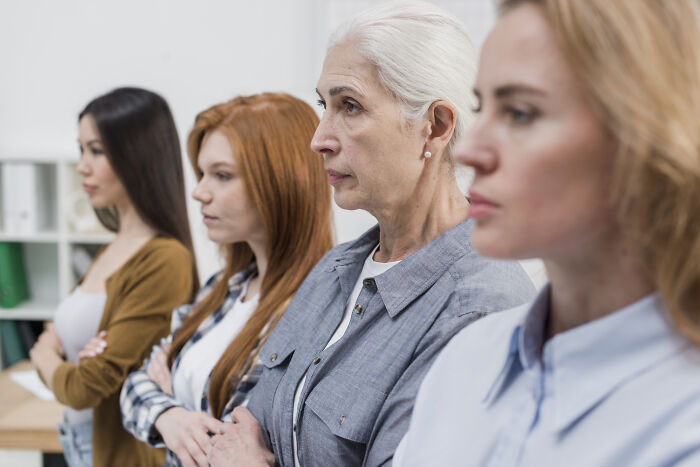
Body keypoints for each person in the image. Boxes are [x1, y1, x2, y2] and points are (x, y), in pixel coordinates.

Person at [206, 2, 536, 466]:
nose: (319, 138)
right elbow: (247, 417)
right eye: (325, 105)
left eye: (350, 106)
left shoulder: (480, 310)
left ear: (435, 127)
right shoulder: (333, 271)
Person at [394, 0, 700, 465]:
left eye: (519, 113)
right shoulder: (466, 361)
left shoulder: (683, 423)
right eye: (483, 106)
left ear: (645, 137)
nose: (469, 150)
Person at [119, 92, 334, 467]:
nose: (199, 192)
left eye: (222, 175)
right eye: (202, 174)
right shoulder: (225, 287)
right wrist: (170, 417)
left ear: (281, 183)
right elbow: (134, 386)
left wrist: (166, 401)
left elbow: (225, 449)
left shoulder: (315, 312)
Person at [29, 87, 198, 467]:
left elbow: (83, 387)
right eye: (81, 150)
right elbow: (68, 371)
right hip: (76, 439)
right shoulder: (113, 248)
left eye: (97, 151)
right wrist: (58, 362)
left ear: (137, 156)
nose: (81, 166)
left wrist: (44, 355)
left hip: (116, 452)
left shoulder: (164, 259)